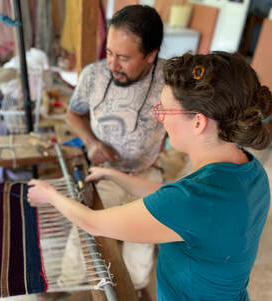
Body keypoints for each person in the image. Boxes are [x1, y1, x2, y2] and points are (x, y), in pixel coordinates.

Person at [28, 51, 272, 300]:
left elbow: (94, 223)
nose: (161, 119)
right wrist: (114, 175)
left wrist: (50, 195)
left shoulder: (190, 201)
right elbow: (172, 197)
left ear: (198, 122)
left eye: (165, 111)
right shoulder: (251, 171)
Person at [64, 5, 166, 291]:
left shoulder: (170, 81)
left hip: (145, 174)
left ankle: (133, 291)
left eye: (123, 57)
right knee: (84, 232)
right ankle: (66, 288)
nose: (112, 64)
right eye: (108, 52)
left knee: (141, 246)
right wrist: (91, 142)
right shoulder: (93, 76)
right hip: (103, 172)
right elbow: (73, 114)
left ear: (150, 55)